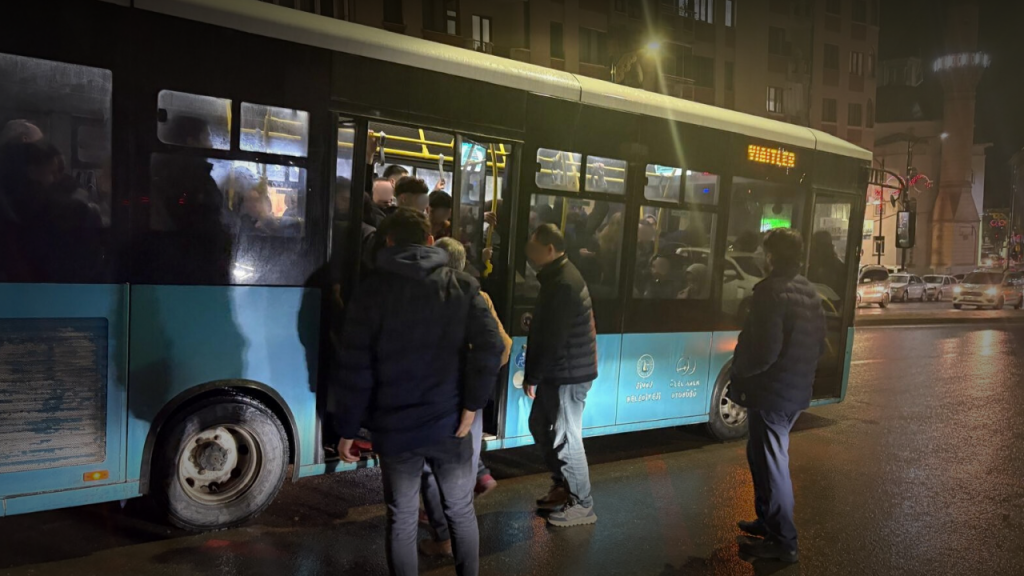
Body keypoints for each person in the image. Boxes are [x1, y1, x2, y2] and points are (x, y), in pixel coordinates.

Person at [335, 208, 504, 576]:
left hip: (395, 428)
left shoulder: (371, 292)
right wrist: (472, 405)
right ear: (430, 240)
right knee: (461, 511)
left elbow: (355, 367)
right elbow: (491, 347)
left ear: (389, 242)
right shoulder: (461, 285)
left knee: (401, 518)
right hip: (450, 422)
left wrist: (347, 428)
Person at [729, 228, 825, 564]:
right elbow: (821, 344)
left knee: (772, 464)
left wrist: (738, 370)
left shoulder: (770, 292)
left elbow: (765, 352)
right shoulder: (810, 292)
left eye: (761, 250)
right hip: (792, 391)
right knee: (760, 456)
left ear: (770, 257)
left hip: (773, 394)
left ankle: (784, 542)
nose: (757, 255)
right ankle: (768, 522)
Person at [418, 237, 512, 558]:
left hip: (447, 398)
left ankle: (443, 535)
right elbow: (503, 346)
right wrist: (479, 381)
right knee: (462, 468)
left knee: (429, 470)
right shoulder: (478, 295)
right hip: (470, 399)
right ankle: (458, 521)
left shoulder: (432, 295)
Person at [523, 223, 599, 528]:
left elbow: (553, 337)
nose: (529, 252)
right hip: (561, 371)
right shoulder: (556, 277)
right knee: (539, 424)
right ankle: (563, 486)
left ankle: (582, 504)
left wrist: (534, 376)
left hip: (568, 374)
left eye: (533, 246)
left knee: (567, 438)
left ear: (550, 249)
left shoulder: (564, 283)